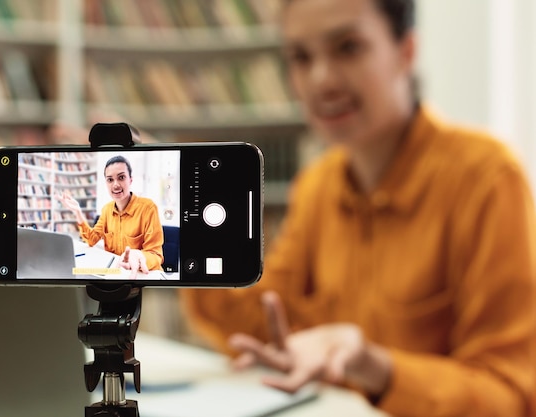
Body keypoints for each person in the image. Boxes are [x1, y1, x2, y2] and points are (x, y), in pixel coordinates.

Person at [179, 0, 536, 416]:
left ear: (406, 51)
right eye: (300, 57)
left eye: (348, 47)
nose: (321, 79)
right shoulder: (317, 185)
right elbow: (260, 329)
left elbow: (512, 394)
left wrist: (376, 367)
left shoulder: (486, 179)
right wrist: (186, 205)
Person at [57, 155, 164, 277]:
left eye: (121, 177)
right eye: (110, 179)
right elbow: (92, 239)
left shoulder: (148, 208)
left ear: (130, 180)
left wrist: (139, 257)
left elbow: (156, 255)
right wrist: (78, 212)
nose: (116, 185)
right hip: (115, 272)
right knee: (77, 272)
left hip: (142, 274)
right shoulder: (106, 210)